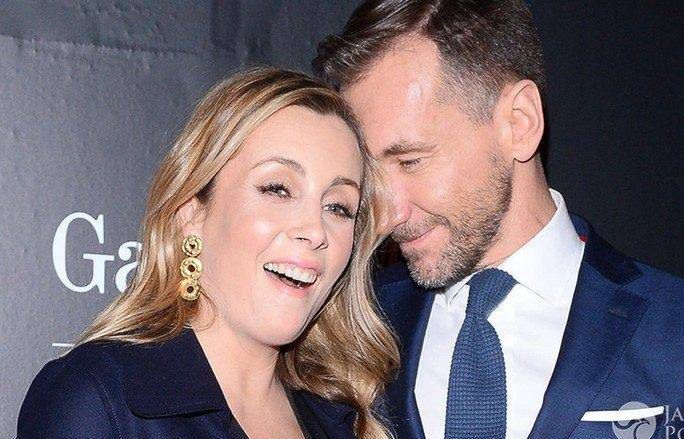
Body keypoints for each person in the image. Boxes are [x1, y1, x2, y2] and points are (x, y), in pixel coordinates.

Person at [313, 1, 684, 438]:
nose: (388, 213)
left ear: (520, 121)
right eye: (372, 175)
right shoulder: (351, 320)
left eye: (411, 161)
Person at [17, 67, 399, 439]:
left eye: (338, 207)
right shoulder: (98, 399)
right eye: (278, 189)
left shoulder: (340, 420)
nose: (315, 231)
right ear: (193, 213)